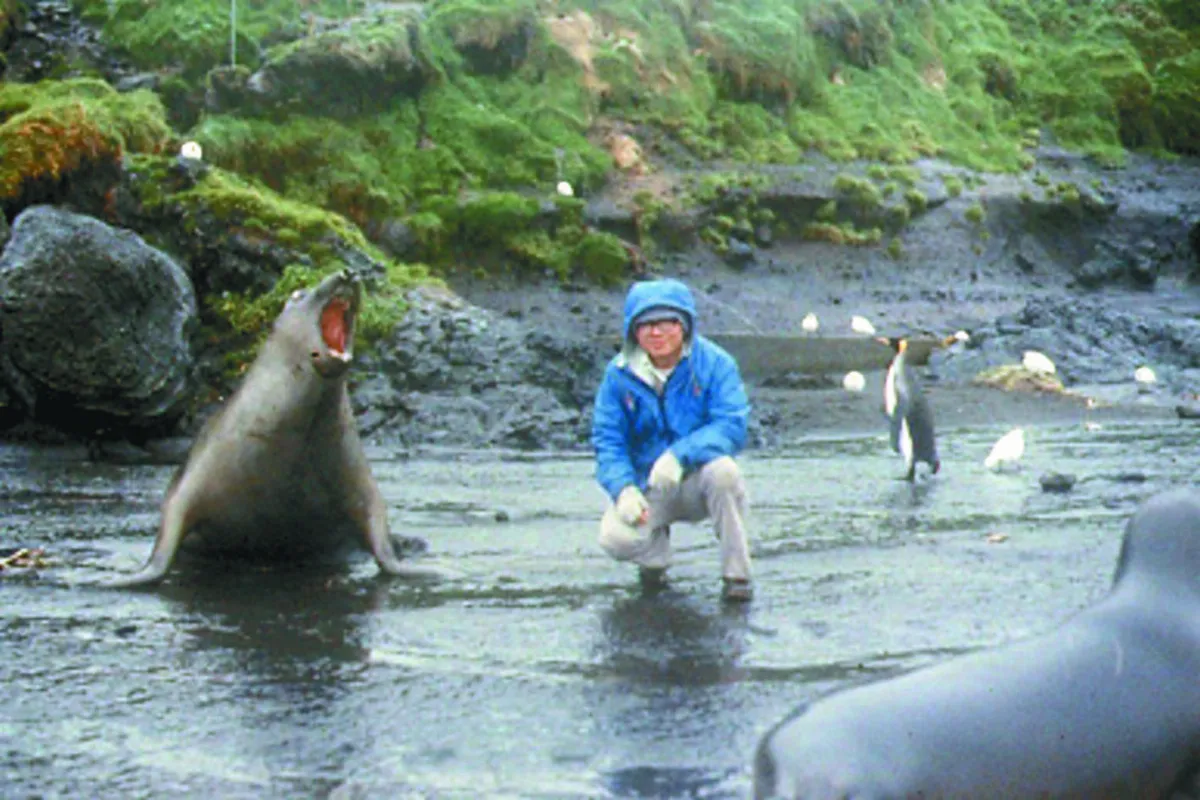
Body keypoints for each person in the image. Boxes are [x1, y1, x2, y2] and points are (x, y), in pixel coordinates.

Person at [591, 278, 753, 602]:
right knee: (614, 538)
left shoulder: (715, 364)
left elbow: (731, 425)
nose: (656, 332)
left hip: (698, 481)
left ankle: (737, 578)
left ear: (685, 326)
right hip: (648, 485)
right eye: (646, 324)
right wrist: (623, 489)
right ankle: (654, 562)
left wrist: (679, 456)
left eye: (667, 322)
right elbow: (608, 441)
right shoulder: (618, 374)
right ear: (633, 330)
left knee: (725, 472)